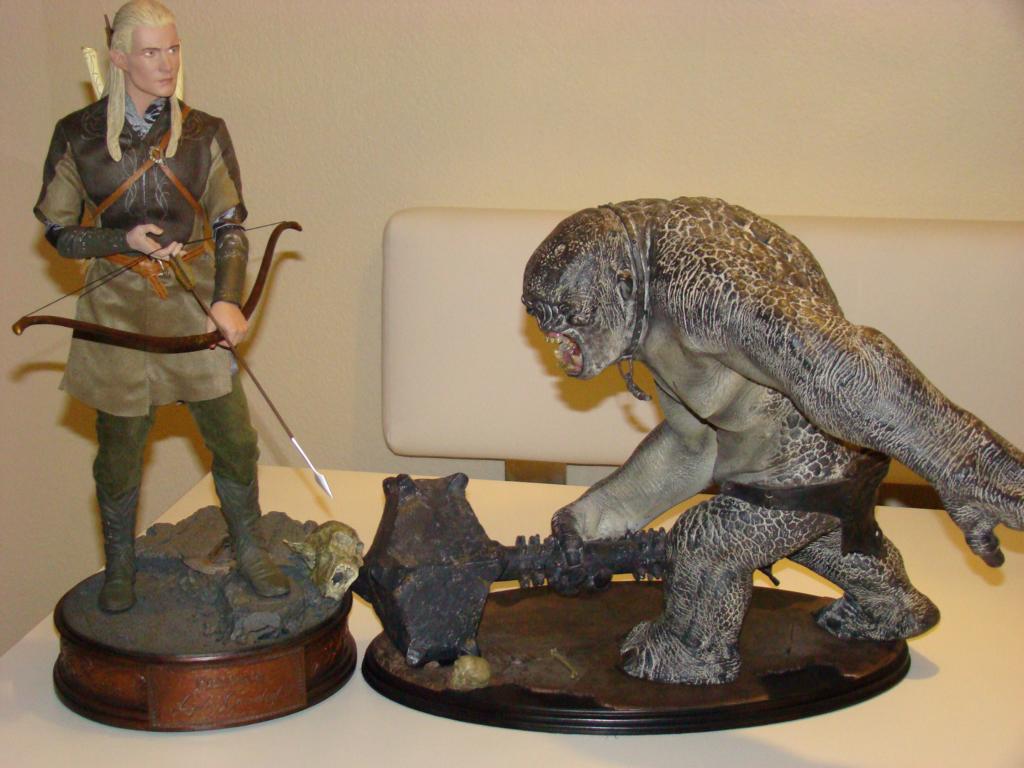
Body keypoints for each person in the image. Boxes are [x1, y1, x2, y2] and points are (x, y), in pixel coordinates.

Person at [34, 0, 288, 612]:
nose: (166, 62)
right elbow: (59, 230)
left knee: (234, 439)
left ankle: (249, 545)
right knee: (119, 452)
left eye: (173, 49)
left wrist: (226, 300)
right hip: (116, 310)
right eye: (151, 52)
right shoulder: (77, 134)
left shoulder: (204, 132)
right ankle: (119, 564)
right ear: (118, 58)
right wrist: (118, 240)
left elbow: (229, 224)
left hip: (190, 302)